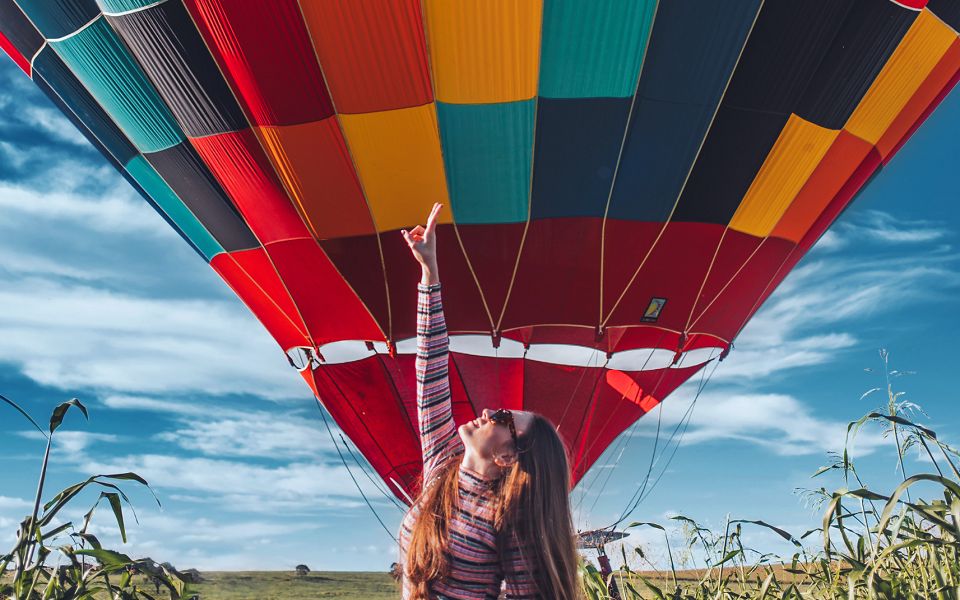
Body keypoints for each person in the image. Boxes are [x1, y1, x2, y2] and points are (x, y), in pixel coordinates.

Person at [398, 203, 581, 600]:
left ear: (508, 457)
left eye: (501, 417)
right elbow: (429, 369)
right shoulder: (440, 468)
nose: (486, 411)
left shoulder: (510, 518)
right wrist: (429, 273)